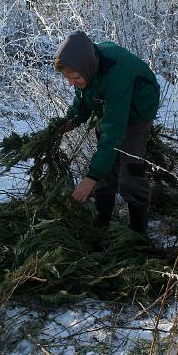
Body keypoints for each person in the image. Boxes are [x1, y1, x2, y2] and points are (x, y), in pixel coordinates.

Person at [54, 31, 160, 234]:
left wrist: (90, 178)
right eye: (69, 79)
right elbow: (84, 99)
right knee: (106, 169)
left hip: (139, 110)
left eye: (75, 78)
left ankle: (138, 235)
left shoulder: (115, 74)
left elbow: (113, 133)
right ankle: (101, 226)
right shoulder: (86, 67)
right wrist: (71, 120)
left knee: (130, 171)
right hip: (112, 106)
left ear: (86, 67)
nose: (71, 83)